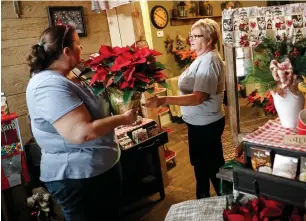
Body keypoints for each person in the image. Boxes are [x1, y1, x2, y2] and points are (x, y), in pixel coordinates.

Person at [26, 25, 137, 221]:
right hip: (77, 177)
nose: (81, 47)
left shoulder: (70, 73)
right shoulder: (47, 85)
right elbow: (81, 133)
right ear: (66, 51)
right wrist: (124, 119)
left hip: (98, 167)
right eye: (78, 43)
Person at [144, 19, 225, 199]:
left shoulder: (209, 61)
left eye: (197, 36)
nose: (191, 39)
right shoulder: (202, 58)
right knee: (204, 168)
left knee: (211, 168)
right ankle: (206, 202)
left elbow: (198, 97)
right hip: (200, 124)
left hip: (206, 125)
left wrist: (164, 99)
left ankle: (225, 204)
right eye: (191, 35)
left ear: (210, 39)